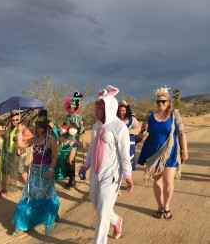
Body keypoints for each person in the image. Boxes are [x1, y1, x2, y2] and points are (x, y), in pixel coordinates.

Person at [79, 85, 134, 243]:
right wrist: (86, 165)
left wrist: (127, 176)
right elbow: (91, 147)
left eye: (101, 106)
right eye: (97, 106)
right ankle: (116, 220)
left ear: (110, 107)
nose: (98, 109)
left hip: (111, 176)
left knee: (102, 215)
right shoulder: (97, 126)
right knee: (99, 208)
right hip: (95, 174)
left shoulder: (119, 127)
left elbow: (125, 154)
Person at [137, 86, 188, 219]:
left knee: (169, 181)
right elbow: (143, 130)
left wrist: (185, 150)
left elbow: (182, 133)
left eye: (163, 101)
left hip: (170, 152)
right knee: (157, 181)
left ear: (169, 102)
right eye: (158, 101)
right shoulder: (150, 116)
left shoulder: (174, 115)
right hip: (153, 152)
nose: (161, 104)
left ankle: (167, 206)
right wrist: (142, 133)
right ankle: (159, 206)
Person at [12, 110, 59, 234]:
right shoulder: (33, 140)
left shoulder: (51, 141)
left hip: (46, 171)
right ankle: (21, 223)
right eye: (37, 127)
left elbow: (55, 156)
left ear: (45, 128)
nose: (38, 130)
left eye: (41, 128)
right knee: (30, 195)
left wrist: (51, 169)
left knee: (47, 194)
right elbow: (21, 146)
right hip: (33, 170)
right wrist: (20, 135)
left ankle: (52, 213)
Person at [0, 113, 33, 197]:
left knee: (20, 170)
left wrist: (20, 138)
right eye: (13, 120)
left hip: (19, 152)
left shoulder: (22, 127)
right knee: (5, 170)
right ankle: (4, 190)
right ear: (10, 121)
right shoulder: (10, 128)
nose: (15, 121)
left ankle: (30, 188)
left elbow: (31, 136)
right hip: (9, 152)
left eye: (17, 119)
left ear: (20, 119)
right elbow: (7, 138)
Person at [55, 92, 85, 188]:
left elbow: (82, 131)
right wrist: (61, 132)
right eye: (70, 105)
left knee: (70, 160)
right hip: (65, 142)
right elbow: (63, 130)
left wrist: (81, 125)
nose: (71, 107)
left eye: (73, 105)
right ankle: (71, 179)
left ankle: (72, 180)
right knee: (66, 161)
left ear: (76, 107)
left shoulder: (79, 117)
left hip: (74, 143)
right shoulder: (66, 118)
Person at [117, 100, 141, 171]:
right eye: (120, 110)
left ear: (127, 110)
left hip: (129, 142)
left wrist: (127, 131)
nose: (122, 112)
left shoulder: (132, 119)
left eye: (123, 110)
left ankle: (128, 178)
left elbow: (138, 128)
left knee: (128, 162)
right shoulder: (116, 119)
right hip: (118, 142)